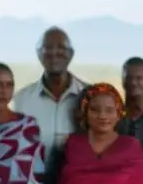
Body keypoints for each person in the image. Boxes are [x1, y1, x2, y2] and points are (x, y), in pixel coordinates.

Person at [12, 27, 88, 169]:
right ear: (39, 54)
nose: (54, 52)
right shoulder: (21, 101)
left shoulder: (91, 97)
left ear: (71, 54)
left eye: (61, 47)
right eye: (48, 47)